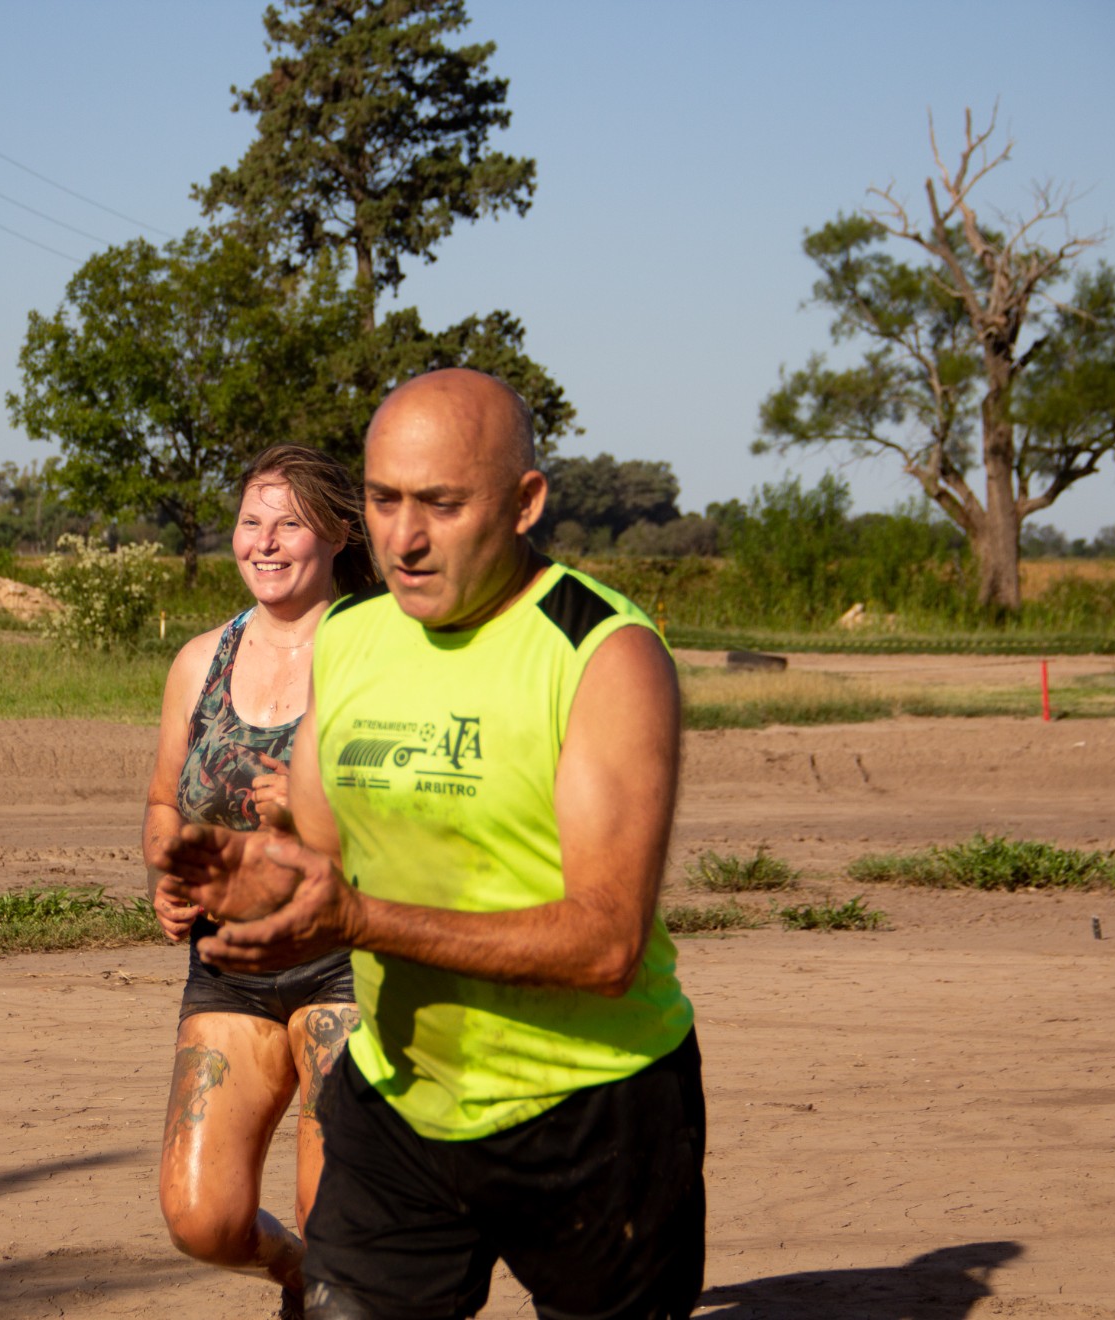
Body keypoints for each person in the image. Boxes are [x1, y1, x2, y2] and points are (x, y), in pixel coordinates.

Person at [151, 369, 704, 1320]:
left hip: (591, 1114)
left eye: (442, 505)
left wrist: (358, 918)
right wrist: (255, 881)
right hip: (401, 1098)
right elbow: (317, 850)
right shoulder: (357, 636)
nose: (404, 539)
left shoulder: (602, 653)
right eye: (382, 500)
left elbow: (607, 944)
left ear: (525, 501)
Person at [142, 444, 376, 1319]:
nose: (265, 542)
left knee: (336, 1223)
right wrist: (165, 876)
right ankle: (294, 1277)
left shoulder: (380, 656)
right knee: (200, 1219)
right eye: (251, 521)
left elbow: (440, 814)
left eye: (290, 522)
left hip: (347, 961)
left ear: (339, 534)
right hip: (229, 966)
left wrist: (324, 811)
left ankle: (331, 1290)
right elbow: (166, 801)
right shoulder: (201, 660)